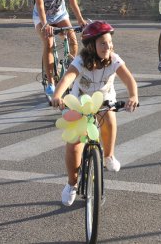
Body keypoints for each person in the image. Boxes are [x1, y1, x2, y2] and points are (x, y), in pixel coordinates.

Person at [51, 20, 139, 206]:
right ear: (91, 46)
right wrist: (58, 95)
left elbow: (129, 79)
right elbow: (68, 78)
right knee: (74, 144)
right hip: (80, 104)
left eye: (109, 43)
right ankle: (72, 184)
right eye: (102, 43)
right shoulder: (81, 61)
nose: (108, 47)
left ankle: (108, 156)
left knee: (109, 119)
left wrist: (133, 96)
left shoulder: (114, 59)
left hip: (104, 101)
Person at [33, 0, 87, 98]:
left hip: (60, 15)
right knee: (49, 42)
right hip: (42, 17)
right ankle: (50, 82)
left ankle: (70, 64)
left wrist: (81, 21)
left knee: (73, 39)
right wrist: (45, 25)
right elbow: (40, 7)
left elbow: (73, 3)